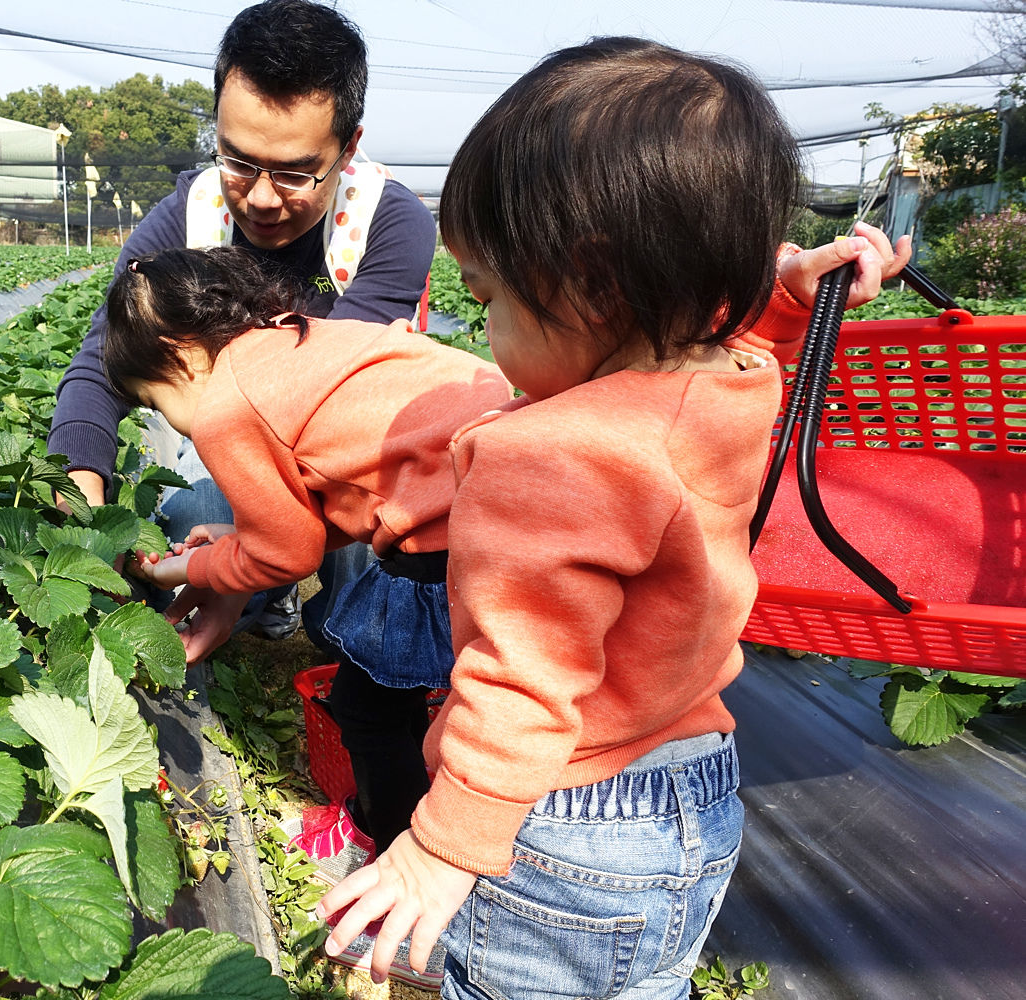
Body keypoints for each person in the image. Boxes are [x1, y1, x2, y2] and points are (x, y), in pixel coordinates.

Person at [315, 37, 912, 998]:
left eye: (490, 299)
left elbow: (522, 678)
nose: (486, 334)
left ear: (593, 287)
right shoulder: (734, 380)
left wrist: (442, 844)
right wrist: (792, 304)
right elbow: (730, 332)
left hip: (565, 821)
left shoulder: (549, 456)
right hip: (698, 797)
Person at [103, 248, 509, 982]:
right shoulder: (296, 341)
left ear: (179, 357)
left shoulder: (226, 401)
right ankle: (418, 836)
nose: (179, 426)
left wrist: (180, 567)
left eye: (159, 404)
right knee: (461, 703)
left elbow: (287, 554)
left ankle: (401, 882)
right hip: (499, 493)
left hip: (453, 532)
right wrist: (231, 540)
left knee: (372, 709)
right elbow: (319, 499)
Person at [46, 0, 438, 662]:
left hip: (358, 443)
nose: (258, 196)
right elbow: (102, 359)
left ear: (348, 147)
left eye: (292, 172)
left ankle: (361, 662)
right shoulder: (188, 218)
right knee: (190, 500)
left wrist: (254, 551)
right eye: (237, 160)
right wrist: (82, 477)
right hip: (232, 429)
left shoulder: (389, 225)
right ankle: (263, 597)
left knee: (372, 563)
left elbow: (326, 403)